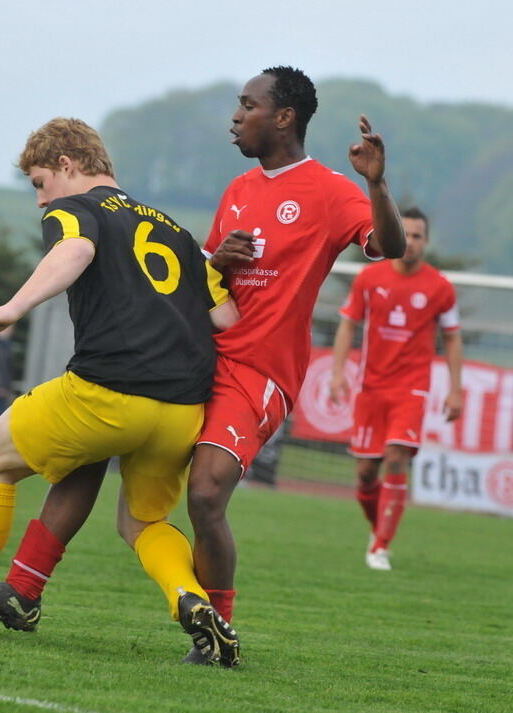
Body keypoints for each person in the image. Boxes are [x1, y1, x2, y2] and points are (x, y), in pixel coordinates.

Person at [0, 117, 242, 666]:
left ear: (67, 165)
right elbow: (228, 319)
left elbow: (75, 253)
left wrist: (9, 309)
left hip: (110, 392)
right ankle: (189, 599)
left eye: (40, 182)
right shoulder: (177, 233)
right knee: (143, 522)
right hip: (184, 407)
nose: (41, 201)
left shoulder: (75, 209)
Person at [181, 66, 405, 661]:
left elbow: (392, 249)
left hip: (259, 371)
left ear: (283, 117)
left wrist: (377, 187)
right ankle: (25, 585)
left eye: (246, 105)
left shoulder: (331, 191)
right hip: (201, 358)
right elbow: (203, 282)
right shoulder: (236, 191)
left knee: (205, 496)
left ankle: (218, 632)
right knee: (119, 473)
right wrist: (216, 258)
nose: (235, 116)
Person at [329, 206, 463, 570]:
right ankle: (379, 529)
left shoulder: (440, 287)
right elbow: (347, 325)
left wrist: (455, 390)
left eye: (418, 235)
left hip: (412, 389)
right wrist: (338, 372)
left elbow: (452, 339)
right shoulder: (369, 279)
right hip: (371, 387)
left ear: (426, 241)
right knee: (365, 475)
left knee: (395, 456)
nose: (412, 241)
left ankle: (381, 546)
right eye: (407, 233)